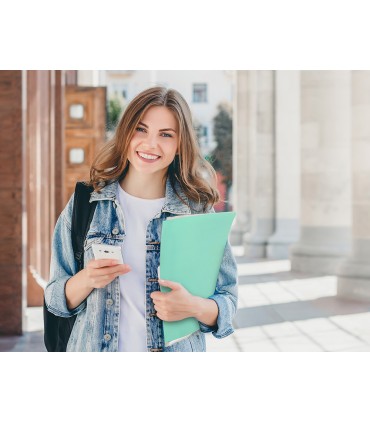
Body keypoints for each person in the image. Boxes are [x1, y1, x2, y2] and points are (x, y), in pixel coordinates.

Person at [45, 86, 238, 352]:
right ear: (126, 132)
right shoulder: (87, 203)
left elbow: (228, 300)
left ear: (180, 144)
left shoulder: (197, 211)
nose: (150, 144)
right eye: (141, 129)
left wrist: (194, 307)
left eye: (166, 134)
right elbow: (54, 297)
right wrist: (87, 279)